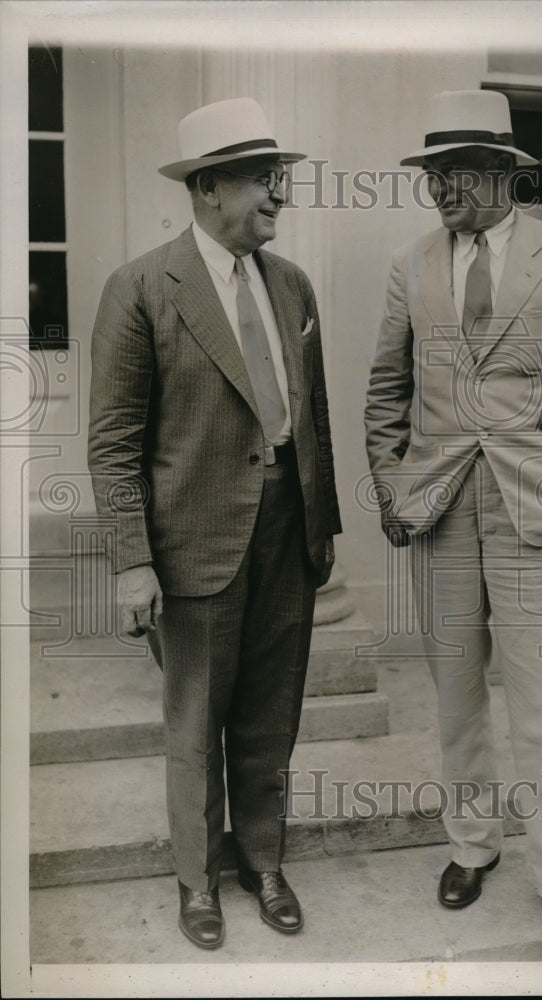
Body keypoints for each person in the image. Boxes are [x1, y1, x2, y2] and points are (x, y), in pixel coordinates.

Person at [364, 90, 542, 946]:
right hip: (441, 514)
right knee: (455, 701)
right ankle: (472, 847)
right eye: (431, 175)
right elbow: (384, 392)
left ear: (498, 174)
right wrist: (392, 490)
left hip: (538, 511)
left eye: (453, 174)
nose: (438, 190)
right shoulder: (411, 263)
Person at [88, 97, 341, 950]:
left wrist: (322, 528)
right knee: (195, 721)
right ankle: (197, 879)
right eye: (263, 180)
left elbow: (316, 415)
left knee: (271, 711)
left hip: (287, 530)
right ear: (205, 187)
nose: (280, 196)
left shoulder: (292, 284)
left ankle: (261, 860)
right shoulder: (139, 288)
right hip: (192, 542)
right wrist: (131, 561)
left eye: (280, 178)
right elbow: (114, 442)